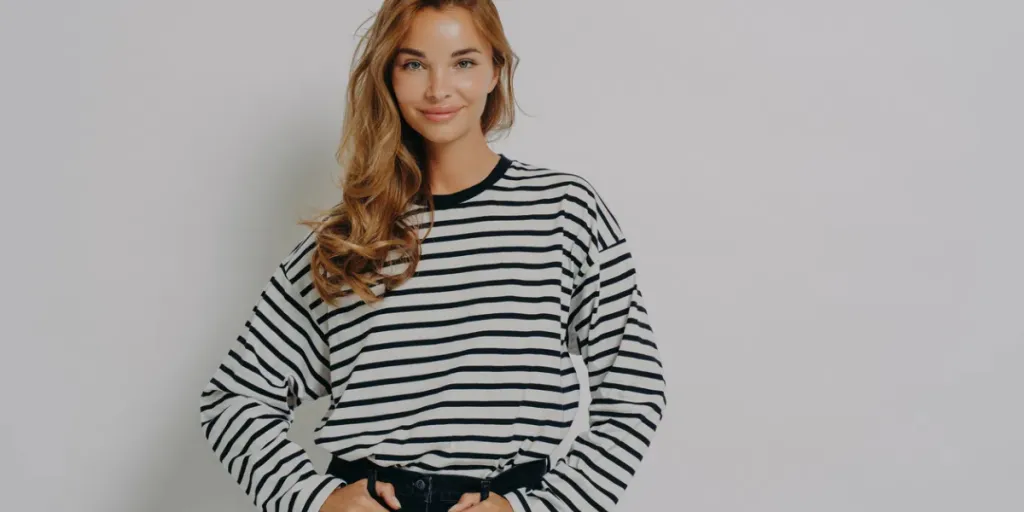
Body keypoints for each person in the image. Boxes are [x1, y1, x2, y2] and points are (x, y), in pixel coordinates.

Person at [198, 1, 668, 511]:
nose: (438, 89)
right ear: (388, 76)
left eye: (463, 62)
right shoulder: (352, 237)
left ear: (496, 70)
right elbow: (234, 399)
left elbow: (633, 394)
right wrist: (316, 501)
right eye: (414, 64)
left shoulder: (564, 213)